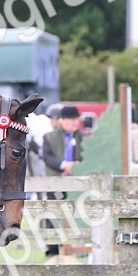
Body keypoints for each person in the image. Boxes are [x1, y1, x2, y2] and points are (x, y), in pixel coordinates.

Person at [39, 104, 84, 258]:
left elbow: (86, 155)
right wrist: (64, 165)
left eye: (76, 119)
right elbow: (47, 157)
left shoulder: (82, 137)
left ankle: (76, 246)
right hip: (56, 181)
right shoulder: (49, 137)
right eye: (71, 119)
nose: (74, 122)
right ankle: (52, 248)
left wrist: (76, 166)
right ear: (62, 120)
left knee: (77, 212)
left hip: (77, 181)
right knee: (53, 213)